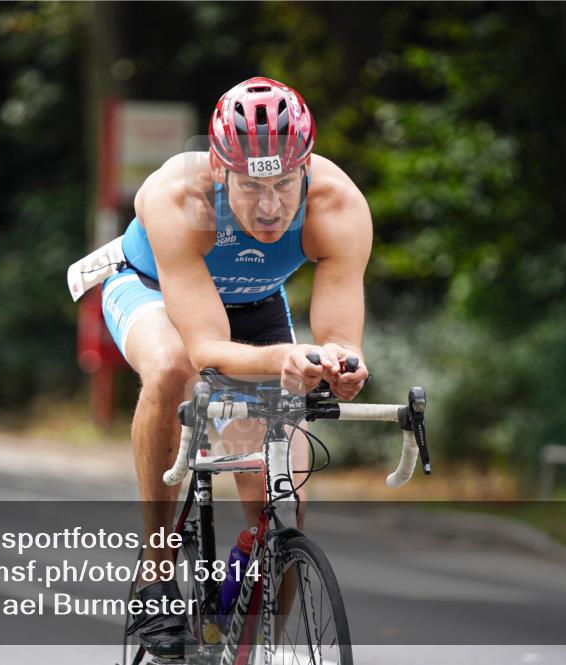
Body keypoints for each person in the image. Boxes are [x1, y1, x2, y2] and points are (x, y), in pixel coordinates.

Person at [95, 77, 372, 658]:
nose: (271, 207)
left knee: (283, 497)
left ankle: (239, 635)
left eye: (284, 184)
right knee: (172, 370)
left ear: (306, 168)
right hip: (154, 292)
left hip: (257, 307)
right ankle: (156, 570)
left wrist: (341, 364)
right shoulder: (176, 196)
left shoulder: (337, 205)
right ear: (220, 173)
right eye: (251, 187)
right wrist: (288, 362)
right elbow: (208, 355)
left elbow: (340, 335)